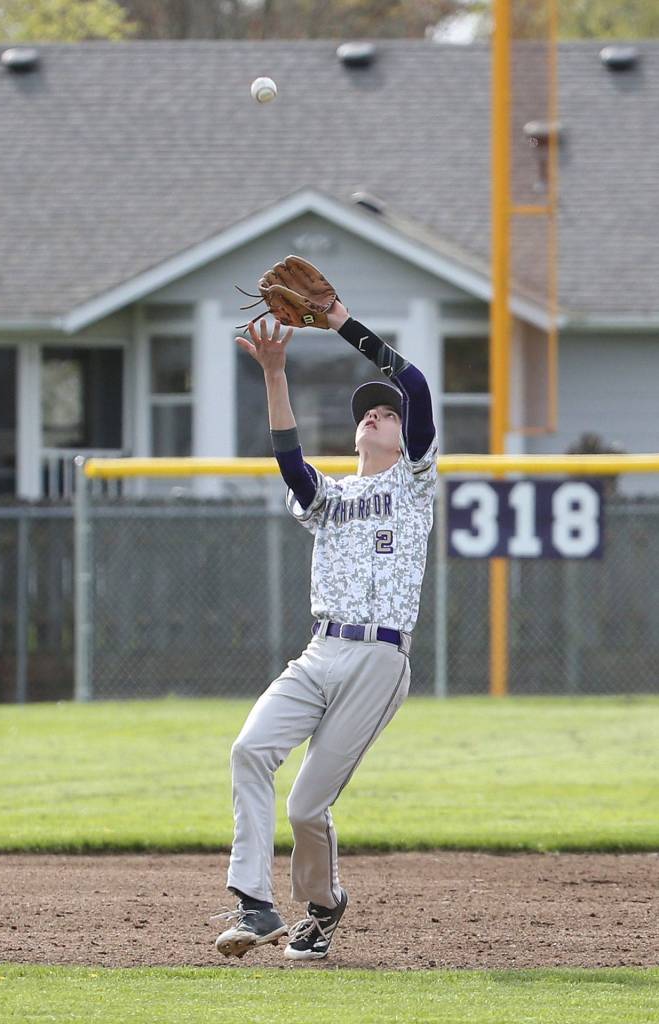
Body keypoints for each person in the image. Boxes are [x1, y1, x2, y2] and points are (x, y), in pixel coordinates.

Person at [214, 293, 437, 961]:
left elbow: (415, 382)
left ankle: (322, 907)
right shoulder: (329, 497)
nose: (376, 414)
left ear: (405, 436)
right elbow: (289, 461)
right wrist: (274, 372)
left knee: (306, 810)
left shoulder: (415, 482)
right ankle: (255, 906)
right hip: (320, 651)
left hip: (380, 660)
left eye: (387, 413)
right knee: (249, 750)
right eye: (367, 412)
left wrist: (338, 320)